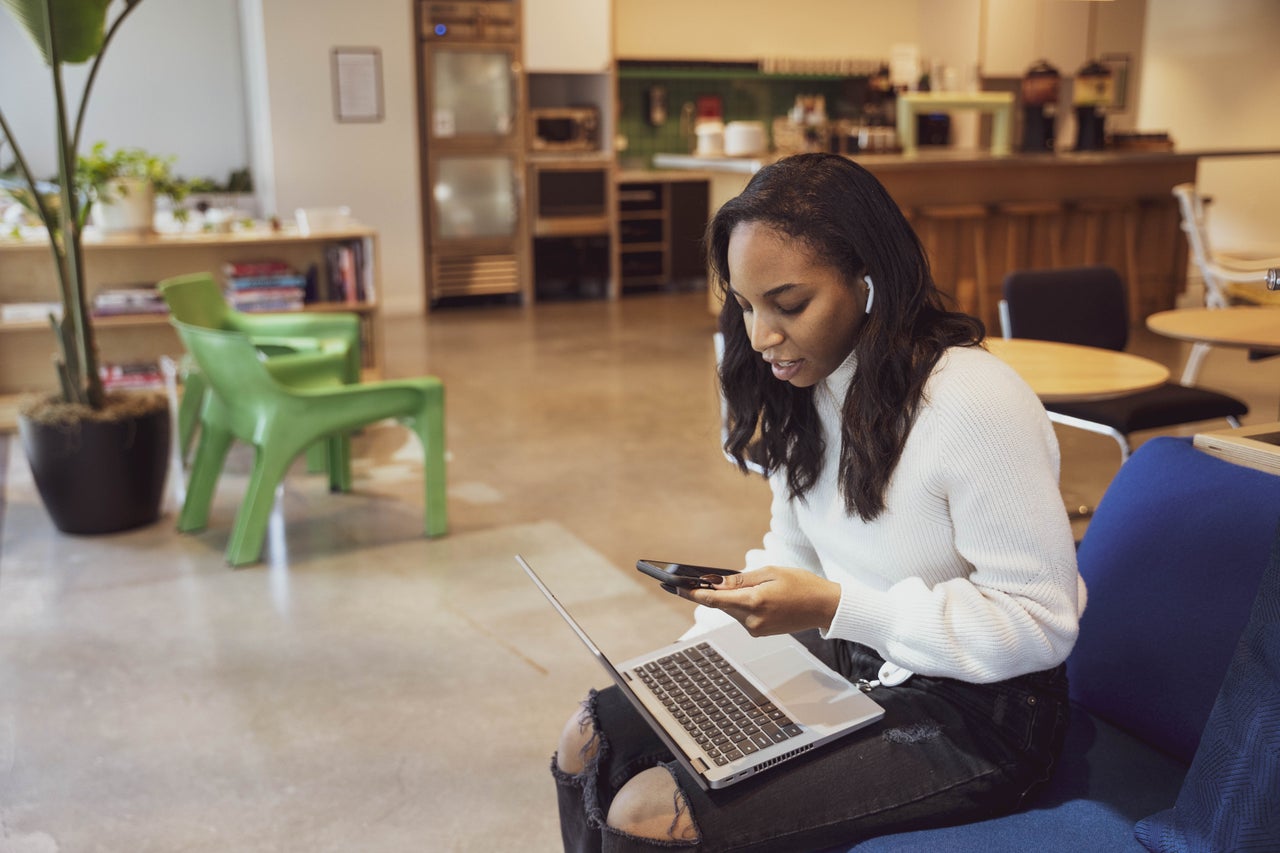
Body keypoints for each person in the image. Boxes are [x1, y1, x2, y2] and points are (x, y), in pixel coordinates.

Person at [551, 153, 1085, 851]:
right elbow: (792, 553)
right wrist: (692, 660)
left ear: (868, 282)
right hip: (854, 652)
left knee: (652, 811)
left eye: (789, 304)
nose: (761, 336)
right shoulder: (809, 382)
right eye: (744, 305)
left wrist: (837, 606)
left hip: (982, 710)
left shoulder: (974, 402)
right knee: (589, 737)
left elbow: (1040, 623)